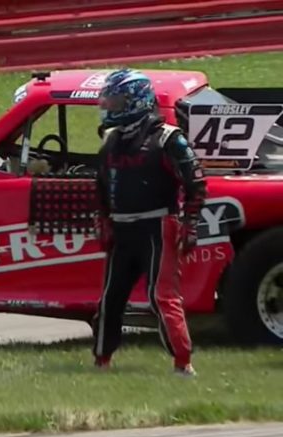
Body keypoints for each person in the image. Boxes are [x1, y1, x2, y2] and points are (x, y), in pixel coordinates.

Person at [91, 69, 207, 377]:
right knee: (111, 297)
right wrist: (103, 220)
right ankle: (102, 360)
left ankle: (183, 364)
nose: (109, 109)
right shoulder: (111, 140)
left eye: (115, 103)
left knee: (161, 296)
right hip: (122, 229)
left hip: (158, 227)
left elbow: (196, 182)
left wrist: (190, 223)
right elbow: (102, 184)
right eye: (109, 102)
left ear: (136, 102)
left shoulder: (169, 138)